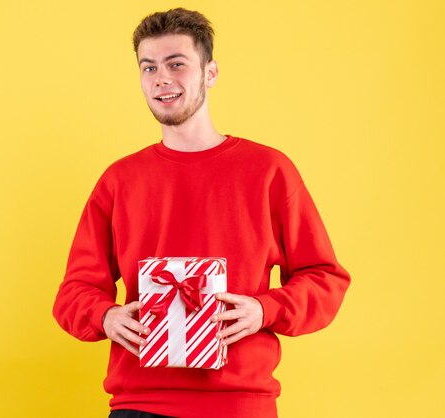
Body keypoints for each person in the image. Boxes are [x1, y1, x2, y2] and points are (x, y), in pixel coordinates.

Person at [52, 7, 350, 418]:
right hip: (140, 404)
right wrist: (105, 317)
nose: (161, 78)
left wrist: (265, 309)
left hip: (241, 404)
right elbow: (72, 292)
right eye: (149, 67)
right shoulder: (119, 180)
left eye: (177, 64)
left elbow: (325, 279)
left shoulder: (269, 171)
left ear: (210, 72)